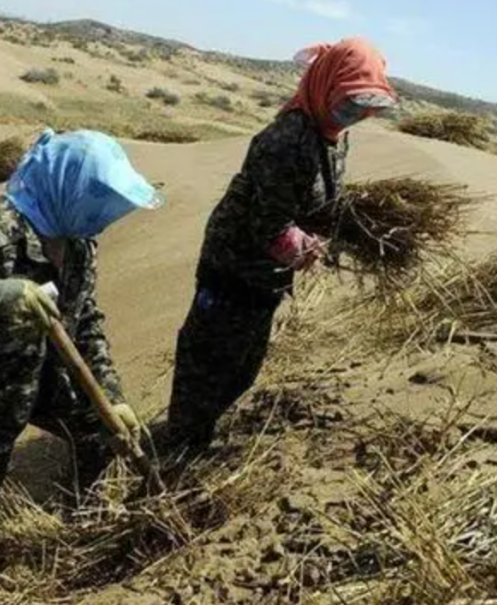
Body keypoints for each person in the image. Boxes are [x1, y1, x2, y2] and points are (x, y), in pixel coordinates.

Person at [0, 128, 162, 581]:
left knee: (100, 433)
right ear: (67, 184)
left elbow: (86, 321)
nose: (106, 213)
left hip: (37, 375)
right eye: (97, 196)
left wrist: (111, 395)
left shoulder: (77, 242)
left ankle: (81, 525)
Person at [166, 37, 397, 452]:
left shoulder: (332, 133)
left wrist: (343, 226)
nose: (356, 114)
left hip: (265, 277)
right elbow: (268, 226)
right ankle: (179, 446)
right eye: (349, 102)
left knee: (242, 365)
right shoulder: (287, 139)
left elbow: (319, 196)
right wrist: (307, 247)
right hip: (233, 268)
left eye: (365, 106)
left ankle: (198, 435)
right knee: (208, 362)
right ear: (325, 85)